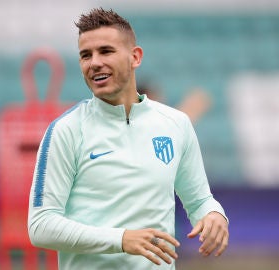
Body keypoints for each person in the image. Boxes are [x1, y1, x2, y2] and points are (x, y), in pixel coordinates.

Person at [28, 7, 229, 270]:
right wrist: (120, 239)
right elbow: (41, 225)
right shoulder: (66, 130)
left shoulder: (176, 124)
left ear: (135, 57)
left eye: (106, 51)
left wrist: (214, 214)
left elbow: (200, 200)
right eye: (85, 55)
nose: (94, 62)